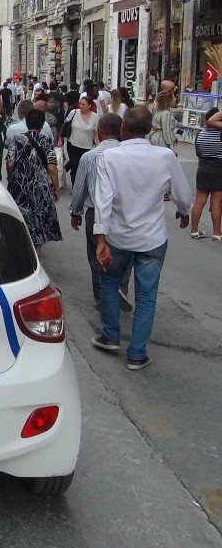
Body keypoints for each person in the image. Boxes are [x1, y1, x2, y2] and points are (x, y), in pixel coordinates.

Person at [92, 107, 193, 371]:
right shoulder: (165, 156)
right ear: (150, 128)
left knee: (109, 281)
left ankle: (111, 335)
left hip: (118, 236)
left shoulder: (110, 156)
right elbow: (183, 194)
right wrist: (184, 213)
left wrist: (101, 238)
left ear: (123, 126)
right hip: (151, 238)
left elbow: (103, 200)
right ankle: (137, 353)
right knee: (147, 296)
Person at [69, 113, 131, 309]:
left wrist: (75, 211)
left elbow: (80, 188)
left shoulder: (90, 156)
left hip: (96, 213)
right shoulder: (128, 154)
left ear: (100, 132)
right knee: (123, 251)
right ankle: (121, 285)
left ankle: (101, 296)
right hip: (124, 212)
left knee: (96, 255)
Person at [189, 108, 222, 240]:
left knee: (199, 200)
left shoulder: (201, 135)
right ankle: (217, 233)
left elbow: (198, 152)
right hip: (218, 168)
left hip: (203, 167)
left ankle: (194, 230)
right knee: (216, 202)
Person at [64, 97, 98, 185]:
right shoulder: (74, 113)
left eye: (83, 104)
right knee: (75, 166)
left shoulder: (95, 117)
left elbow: (96, 133)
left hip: (87, 147)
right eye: (80, 104)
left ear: (89, 106)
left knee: (84, 168)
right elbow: (65, 124)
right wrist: (60, 138)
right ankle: (75, 188)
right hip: (73, 144)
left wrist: (98, 146)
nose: (81, 106)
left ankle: (82, 185)